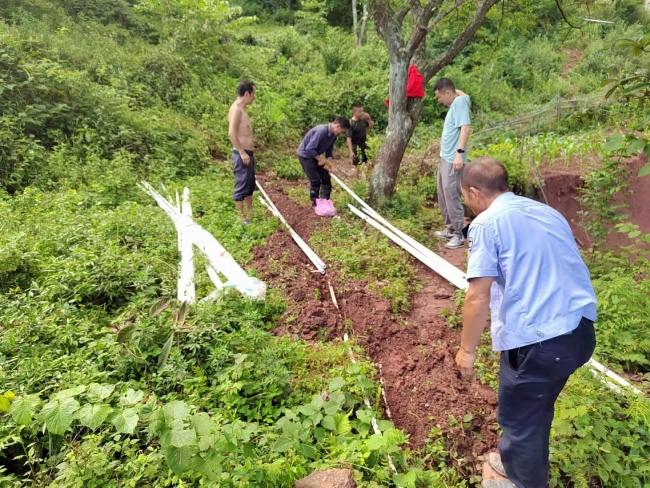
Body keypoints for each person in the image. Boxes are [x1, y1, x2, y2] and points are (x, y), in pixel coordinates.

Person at [454, 158, 597, 488]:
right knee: (534, 409)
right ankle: (513, 461)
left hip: (541, 342)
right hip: (579, 332)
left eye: (465, 196)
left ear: (474, 192)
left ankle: (523, 481)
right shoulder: (546, 212)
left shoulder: (488, 223)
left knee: (520, 421)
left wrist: (466, 351)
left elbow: (477, 296)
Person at [433, 77, 471, 249]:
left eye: (439, 97)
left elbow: (465, 127)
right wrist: (457, 93)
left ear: (447, 93)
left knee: (451, 193)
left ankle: (459, 234)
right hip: (445, 157)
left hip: (452, 158)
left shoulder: (459, 104)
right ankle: (450, 227)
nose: (439, 101)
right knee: (442, 192)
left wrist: (459, 154)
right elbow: (463, 94)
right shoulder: (460, 100)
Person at [297, 116, 351, 210]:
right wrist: (320, 159)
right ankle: (315, 203)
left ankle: (325, 200)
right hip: (306, 155)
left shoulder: (334, 135)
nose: (341, 134)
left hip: (316, 154)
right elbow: (309, 149)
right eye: (342, 131)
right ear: (337, 126)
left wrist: (329, 163)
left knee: (326, 177)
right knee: (315, 180)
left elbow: (329, 150)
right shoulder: (322, 131)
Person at [227, 80, 256, 224]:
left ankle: (250, 215)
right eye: (253, 94)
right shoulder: (237, 109)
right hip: (242, 155)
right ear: (247, 94)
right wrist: (242, 152)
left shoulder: (243, 109)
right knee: (241, 185)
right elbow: (231, 133)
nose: (254, 97)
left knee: (249, 185)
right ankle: (240, 218)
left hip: (248, 154)